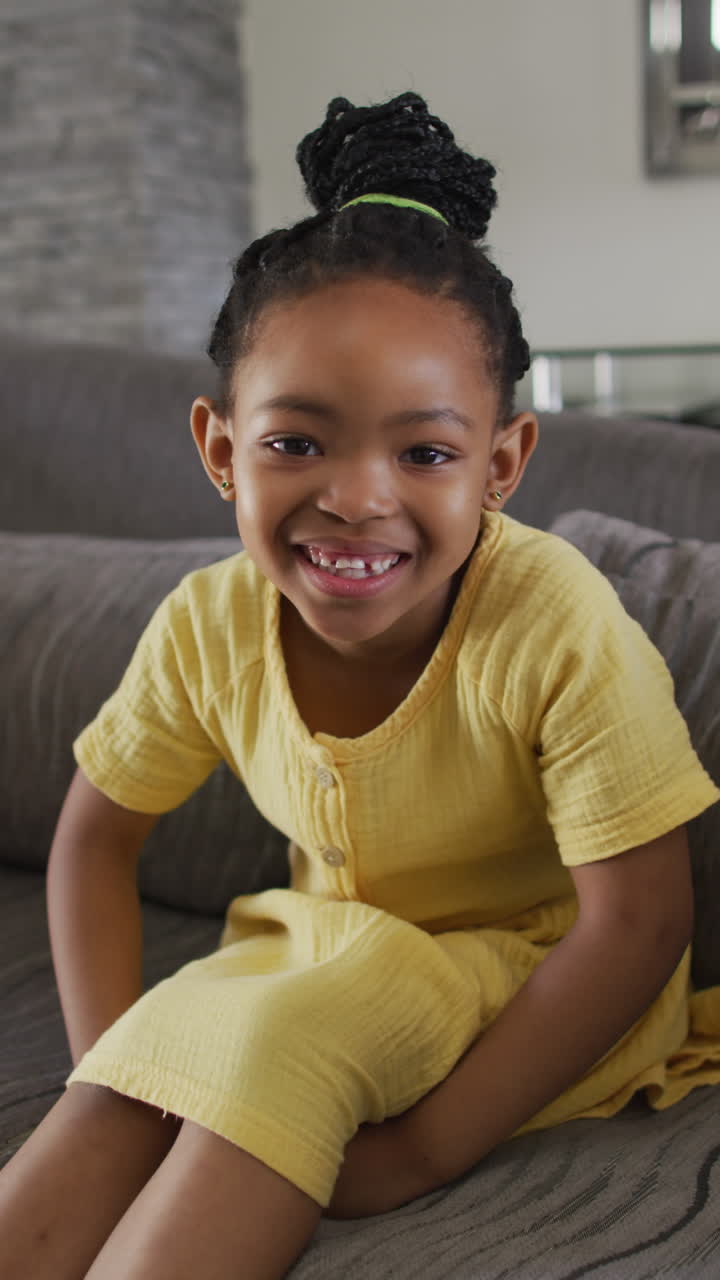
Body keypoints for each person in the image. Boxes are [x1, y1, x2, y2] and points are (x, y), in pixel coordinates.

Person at [1, 91, 719, 1280]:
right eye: (296, 442)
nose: (355, 498)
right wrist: (113, 1062)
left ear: (501, 464)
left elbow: (640, 919)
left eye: (425, 452)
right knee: (166, 1049)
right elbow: (94, 839)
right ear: (221, 449)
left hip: (532, 974)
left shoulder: (551, 617)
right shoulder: (207, 625)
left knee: (286, 1028)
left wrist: (424, 1148)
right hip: (322, 951)